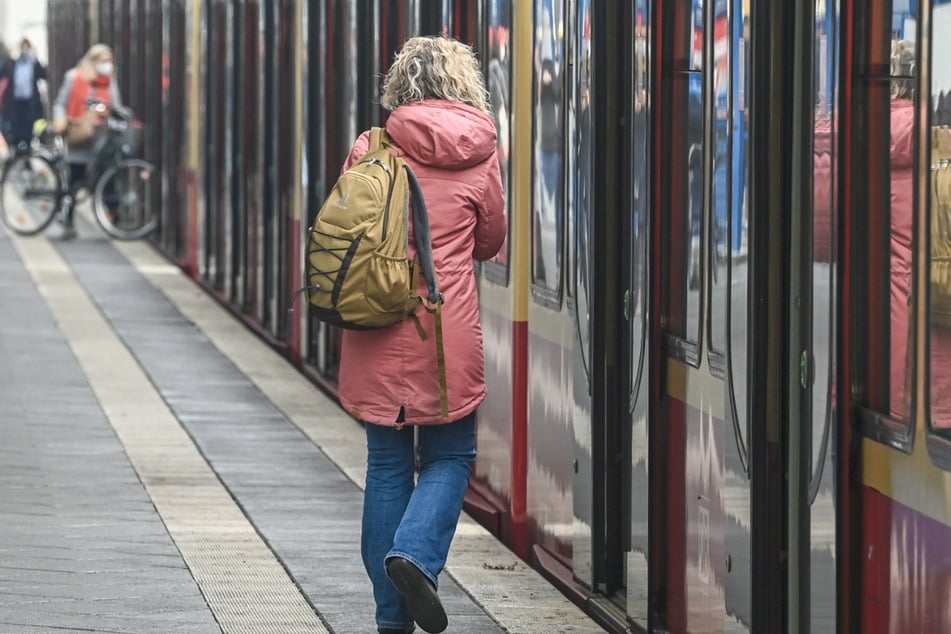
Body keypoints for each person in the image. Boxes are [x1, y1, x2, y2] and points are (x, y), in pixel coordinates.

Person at [337, 36, 505, 634]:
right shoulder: (482, 149)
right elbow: (491, 242)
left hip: (375, 327)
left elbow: (347, 233)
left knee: (386, 465)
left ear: (399, 86)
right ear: (464, 85)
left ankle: (392, 620)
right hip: (445, 331)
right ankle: (415, 556)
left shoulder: (372, 146)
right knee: (451, 455)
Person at [50, 43, 122, 239]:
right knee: (75, 178)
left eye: (110, 61)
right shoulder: (73, 78)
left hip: (100, 137)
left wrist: (115, 113)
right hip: (78, 135)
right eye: (104, 61)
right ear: (93, 60)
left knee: (107, 177)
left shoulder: (109, 81)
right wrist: (60, 121)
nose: (108, 65)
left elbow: (114, 106)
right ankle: (68, 218)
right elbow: (61, 103)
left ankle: (115, 219)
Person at [2, 38, 46, 150]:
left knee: (29, 126)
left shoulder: (32, 63)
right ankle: (17, 149)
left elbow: (43, 75)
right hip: (15, 102)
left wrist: (37, 60)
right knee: (16, 126)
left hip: (30, 102)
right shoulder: (12, 63)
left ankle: (27, 148)